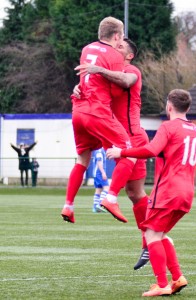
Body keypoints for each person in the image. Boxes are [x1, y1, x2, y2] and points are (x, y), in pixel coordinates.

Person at [107, 89, 196, 296]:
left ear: (169, 106)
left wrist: (121, 152)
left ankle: (162, 284)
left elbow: (151, 150)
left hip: (168, 191)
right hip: (187, 193)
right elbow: (166, 151)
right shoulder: (195, 130)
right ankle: (177, 277)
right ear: (188, 107)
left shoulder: (168, 126)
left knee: (151, 234)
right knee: (161, 235)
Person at [74, 38, 151, 269]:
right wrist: (79, 88)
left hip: (133, 137)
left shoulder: (130, 70)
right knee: (135, 192)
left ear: (129, 56)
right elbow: (93, 90)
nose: (114, 50)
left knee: (134, 193)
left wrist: (98, 68)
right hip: (116, 137)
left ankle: (149, 241)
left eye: (120, 48)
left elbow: (126, 81)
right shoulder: (109, 70)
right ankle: (149, 242)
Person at [61, 16, 137, 224]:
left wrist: (81, 86)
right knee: (130, 153)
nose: (121, 42)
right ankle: (111, 198)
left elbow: (87, 78)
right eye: (120, 37)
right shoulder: (115, 56)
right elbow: (117, 89)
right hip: (97, 111)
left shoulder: (87, 49)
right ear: (116, 36)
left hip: (78, 110)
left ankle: (68, 206)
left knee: (82, 160)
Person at [92, 148, 109, 213]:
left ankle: (95, 206)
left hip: (95, 173)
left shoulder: (96, 150)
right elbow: (99, 161)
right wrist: (103, 172)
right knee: (106, 188)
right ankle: (100, 204)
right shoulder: (99, 150)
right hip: (99, 173)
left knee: (98, 189)